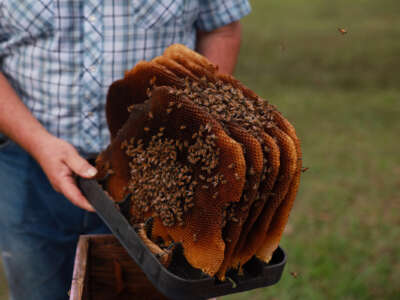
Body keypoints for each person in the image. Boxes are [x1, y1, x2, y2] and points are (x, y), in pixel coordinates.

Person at [0, 1, 251, 299]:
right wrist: (39, 142)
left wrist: (194, 125)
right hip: (28, 166)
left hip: (161, 174)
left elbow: (221, 28)